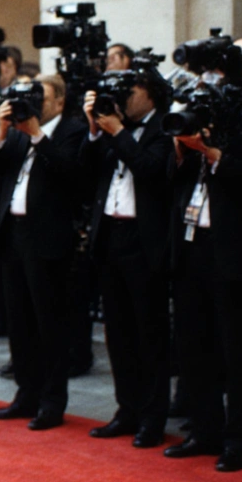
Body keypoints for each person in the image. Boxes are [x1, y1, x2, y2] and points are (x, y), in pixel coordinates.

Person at [163, 61, 242, 472]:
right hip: (191, 246)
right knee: (195, 348)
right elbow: (170, 182)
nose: (205, 82)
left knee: (237, 354)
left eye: (212, 73)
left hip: (235, 252)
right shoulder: (196, 110)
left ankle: (236, 440)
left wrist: (214, 155)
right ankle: (204, 431)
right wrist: (181, 151)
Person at [0, 74, 86, 430]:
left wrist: (37, 135)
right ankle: (25, 394)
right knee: (19, 322)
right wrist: (0, 131)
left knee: (49, 324)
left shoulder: (70, 129)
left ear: (58, 101)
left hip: (47, 240)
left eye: (41, 96)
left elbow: (71, 174)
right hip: (13, 235)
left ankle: (52, 402)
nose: (34, 102)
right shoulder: (14, 130)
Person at [80, 69, 173, 448]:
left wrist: (117, 132)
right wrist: (94, 130)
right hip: (110, 238)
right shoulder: (110, 128)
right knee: (117, 333)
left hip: (145, 241)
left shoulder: (166, 127)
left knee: (148, 334)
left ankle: (153, 417)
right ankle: (126, 410)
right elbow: (84, 174)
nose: (123, 99)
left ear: (150, 93)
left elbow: (153, 172)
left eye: (129, 91)